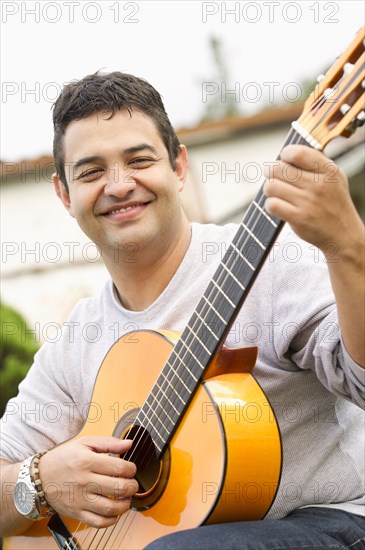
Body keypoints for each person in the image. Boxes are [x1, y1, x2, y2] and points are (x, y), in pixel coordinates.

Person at [0, 71, 364, 550]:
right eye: (90, 172)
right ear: (65, 195)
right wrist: (41, 480)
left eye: (139, 160)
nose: (118, 185)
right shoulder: (76, 342)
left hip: (332, 521)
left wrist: (350, 246)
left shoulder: (269, 258)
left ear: (178, 167)